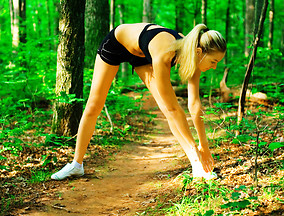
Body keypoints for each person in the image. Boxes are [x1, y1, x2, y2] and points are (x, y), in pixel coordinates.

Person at [51, 23, 226, 180]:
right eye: (214, 61)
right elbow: (174, 109)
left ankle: (196, 167)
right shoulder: (165, 54)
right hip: (117, 44)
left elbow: (195, 105)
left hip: (142, 53)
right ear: (199, 52)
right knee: (94, 105)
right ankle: (76, 165)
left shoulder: (192, 55)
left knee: (167, 109)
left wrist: (205, 147)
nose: (215, 66)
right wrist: (198, 151)